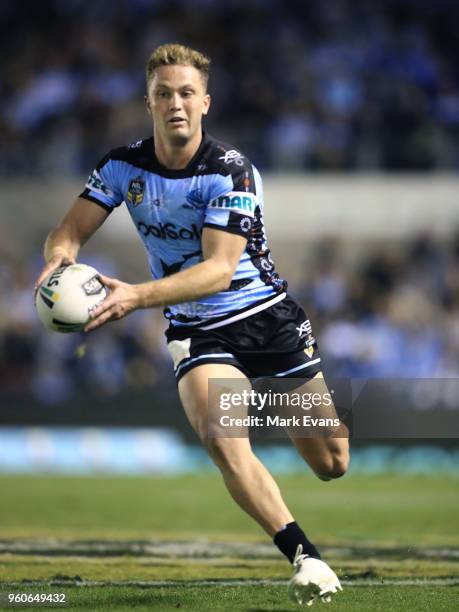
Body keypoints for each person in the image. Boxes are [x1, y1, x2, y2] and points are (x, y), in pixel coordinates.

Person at [35, 43, 348, 606]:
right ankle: (307, 557)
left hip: (266, 318)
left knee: (332, 461)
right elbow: (68, 232)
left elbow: (218, 272)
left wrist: (134, 296)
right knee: (221, 437)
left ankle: (260, 401)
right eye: (163, 94)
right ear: (148, 102)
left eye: (185, 93)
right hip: (197, 329)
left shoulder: (232, 171)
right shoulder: (121, 165)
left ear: (205, 102)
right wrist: (58, 260)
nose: (174, 103)